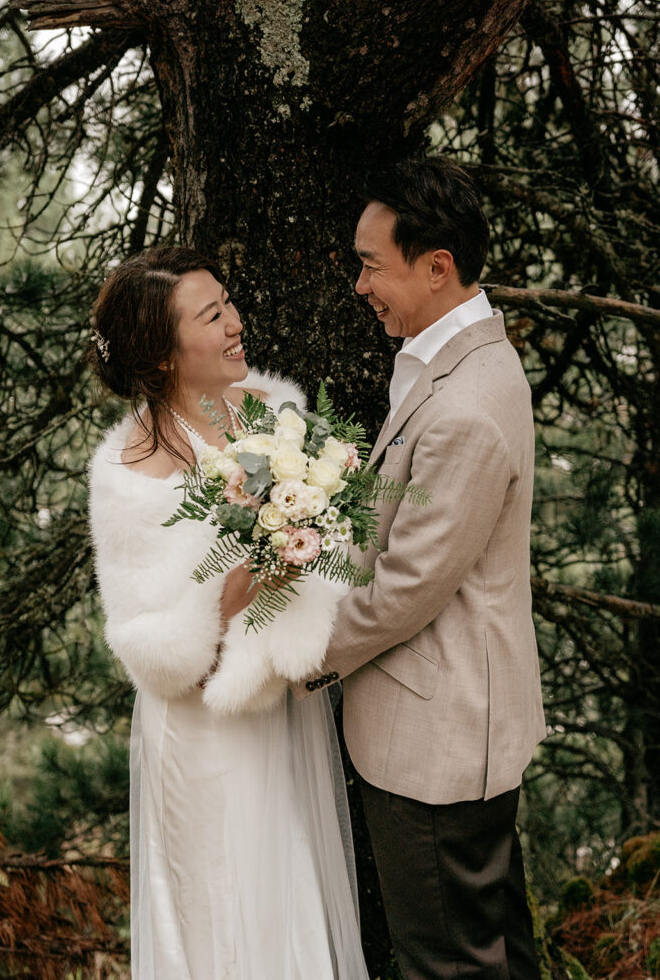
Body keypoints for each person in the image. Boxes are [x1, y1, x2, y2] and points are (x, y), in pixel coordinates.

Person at [231, 157, 546, 979]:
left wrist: (293, 650)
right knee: (494, 953)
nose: (360, 284)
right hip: (450, 719)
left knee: (444, 964)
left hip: (438, 740)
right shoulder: (455, 360)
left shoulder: (468, 405)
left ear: (436, 268)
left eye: (372, 264)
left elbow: (405, 589)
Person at [87, 247, 369, 980]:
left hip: (283, 701)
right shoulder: (124, 475)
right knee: (222, 910)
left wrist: (307, 545)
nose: (235, 323)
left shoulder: (282, 417)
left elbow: (339, 554)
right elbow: (147, 647)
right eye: (212, 315)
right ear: (162, 350)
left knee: (294, 886)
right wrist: (232, 585)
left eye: (228, 304)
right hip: (203, 733)